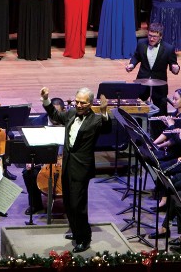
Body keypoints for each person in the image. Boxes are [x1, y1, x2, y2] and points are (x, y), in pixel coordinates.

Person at [42, 86, 111, 253]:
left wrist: (104, 112)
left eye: (83, 103)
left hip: (81, 168)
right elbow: (55, 115)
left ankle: (84, 239)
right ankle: (75, 231)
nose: (79, 105)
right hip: (67, 165)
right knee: (68, 203)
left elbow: (107, 128)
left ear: (90, 104)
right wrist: (46, 99)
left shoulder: (95, 120)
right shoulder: (71, 113)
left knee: (78, 205)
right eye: (77, 101)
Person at [126, 29, 181, 109]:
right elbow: (136, 56)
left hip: (159, 83)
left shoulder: (169, 48)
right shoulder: (141, 43)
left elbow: (174, 66)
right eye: (150, 35)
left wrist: (175, 69)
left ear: (160, 37)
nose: (151, 39)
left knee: (161, 110)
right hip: (142, 80)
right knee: (137, 108)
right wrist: (132, 64)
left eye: (154, 36)